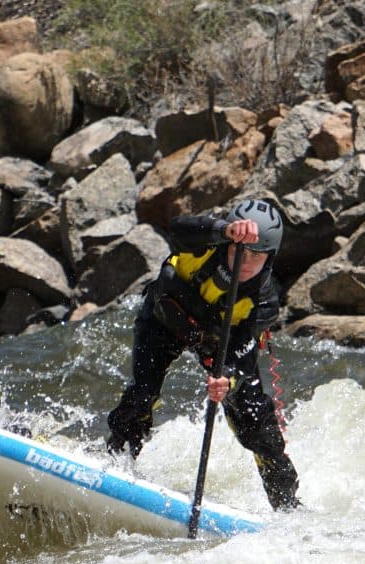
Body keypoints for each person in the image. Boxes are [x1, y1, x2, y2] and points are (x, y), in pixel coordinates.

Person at [106, 198, 300, 510]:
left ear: (270, 258)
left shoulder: (264, 302)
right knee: (143, 394)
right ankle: (116, 463)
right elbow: (178, 228)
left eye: (257, 256)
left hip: (217, 343)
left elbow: (240, 353)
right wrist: (225, 229)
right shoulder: (204, 246)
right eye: (241, 251)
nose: (247, 262)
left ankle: (287, 507)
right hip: (165, 321)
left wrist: (228, 379)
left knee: (255, 421)